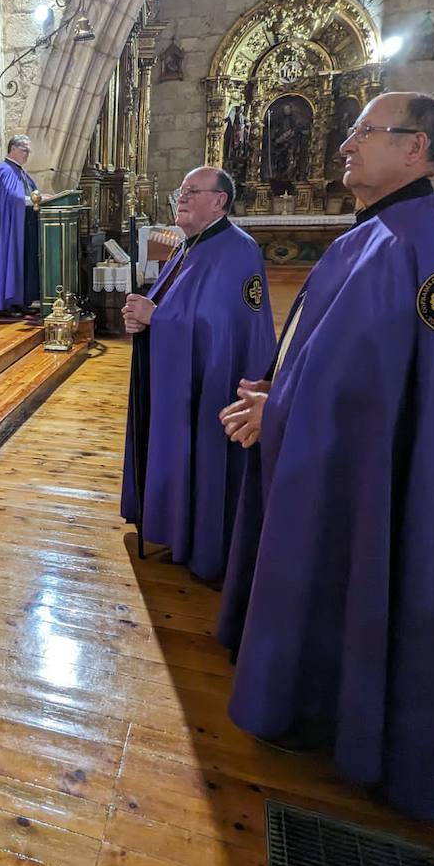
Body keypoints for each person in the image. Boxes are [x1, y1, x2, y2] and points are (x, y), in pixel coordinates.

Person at [215, 92, 434, 822]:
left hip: (379, 478)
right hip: (335, 454)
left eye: (364, 132)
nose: (346, 143)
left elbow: (393, 393)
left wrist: (283, 411)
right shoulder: (377, 234)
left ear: (416, 149)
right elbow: (332, 350)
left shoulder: (427, 243)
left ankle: (356, 721)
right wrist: (277, 387)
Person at [120, 167, 274, 581]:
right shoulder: (191, 246)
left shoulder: (237, 250)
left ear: (219, 200)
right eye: (180, 191)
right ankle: (173, 524)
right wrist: (143, 319)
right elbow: (176, 306)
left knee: (206, 460)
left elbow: (222, 328)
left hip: (217, 383)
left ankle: (202, 538)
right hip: (185, 377)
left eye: (192, 191)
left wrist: (159, 319)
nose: (181, 198)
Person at [0, 135, 58, 319]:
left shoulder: (19, 171)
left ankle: (22, 301)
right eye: (24, 150)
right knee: (12, 262)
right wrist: (35, 199)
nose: (27, 154)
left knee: (24, 263)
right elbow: (12, 199)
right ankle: (7, 303)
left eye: (29, 150)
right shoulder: (5, 170)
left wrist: (41, 197)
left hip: (23, 226)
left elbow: (29, 194)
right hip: (10, 230)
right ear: (12, 148)